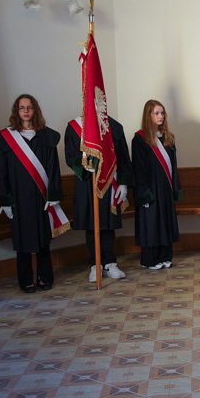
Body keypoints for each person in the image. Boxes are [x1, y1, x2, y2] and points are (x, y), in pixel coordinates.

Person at [0, 94, 68, 292]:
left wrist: (53, 196)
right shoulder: (7, 138)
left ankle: (45, 277)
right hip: (18, 198)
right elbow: (1, 171)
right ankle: (25, 279)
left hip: (41, 197)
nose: (26, 111)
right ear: (16, 112)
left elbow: (53, 168)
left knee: (43, 239)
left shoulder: (46, 136)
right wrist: (5, 199)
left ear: (35, 110)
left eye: (29, 107)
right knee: (22, 240)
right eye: (22, 108)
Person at [65, 115, 133, 282]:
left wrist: (124, 183)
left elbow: (123, 156)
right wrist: (83, 162)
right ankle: (95, 264)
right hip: (86, 183)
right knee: (91, 222)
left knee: (108, 223)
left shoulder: (114, 126)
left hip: (110, 181)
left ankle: (110, 262)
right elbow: (69, 155)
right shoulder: (74, 126)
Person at [132, 100, 182, 269]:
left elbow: (173, 167)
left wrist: (175, 189)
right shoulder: (140, 139)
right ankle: (151, 259)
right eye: (156, 113)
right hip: (150, 189)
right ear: (149, 115)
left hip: (166, 188)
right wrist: (143, 193)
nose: (160, 116)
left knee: (165, 221)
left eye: (162, 113)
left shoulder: (168, 137)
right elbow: (138, 168)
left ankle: (165, 256)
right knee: (152, 223)